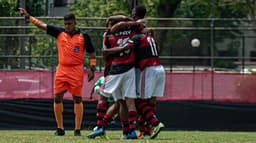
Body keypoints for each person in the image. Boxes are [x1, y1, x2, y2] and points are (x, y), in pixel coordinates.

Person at [18, 8, 96, 136]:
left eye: (69, 24)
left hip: (76, 70)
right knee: (57, 97)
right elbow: (42, 25)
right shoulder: (59, 33)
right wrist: (28, 17)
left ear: (75, 23)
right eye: (65, 24)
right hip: (62, 69)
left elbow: (92, 53)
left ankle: (77, 130)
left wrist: (92, 69)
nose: (67, 26)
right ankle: (60, 129)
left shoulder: (83, 36)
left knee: (77, 98)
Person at [102, 29, 165, 139]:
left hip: (147, 69)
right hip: (160, 68)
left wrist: (108, 51)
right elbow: (158, 51)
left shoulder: (136, 37)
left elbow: (126, 48)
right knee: (150, 101)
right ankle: (146, 132)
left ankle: (154, 124)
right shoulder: (150, 37)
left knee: (137, 101)